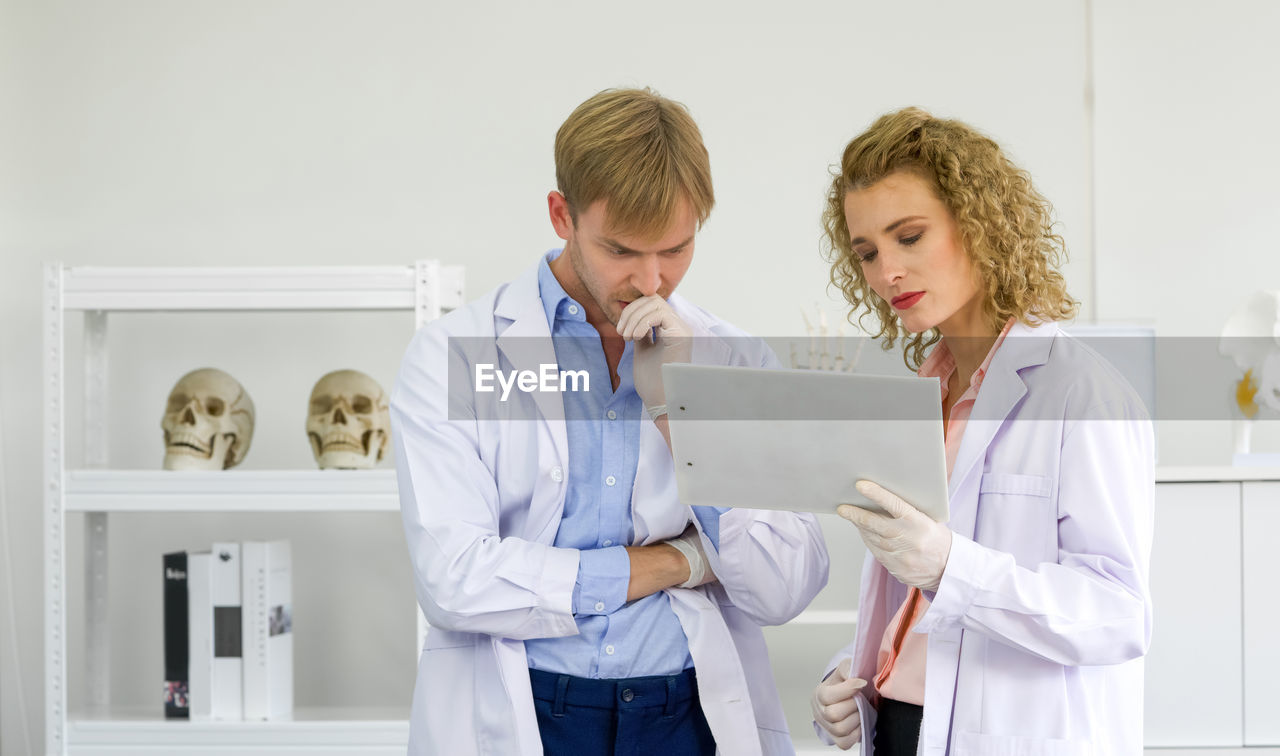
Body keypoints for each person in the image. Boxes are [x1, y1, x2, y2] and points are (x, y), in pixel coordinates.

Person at [391, 87, 830, 756]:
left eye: (676, 250)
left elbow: (783, 585)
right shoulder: (456, 355)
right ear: (561, 214)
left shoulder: (733, 357)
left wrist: (683, 414)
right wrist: (678, 561)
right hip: (529, 709)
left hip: (685, 712)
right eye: (622, 251)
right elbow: (455, 579)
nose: (651, 282)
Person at [809, 108, 1154, 755]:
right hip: (902, 728)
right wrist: (855, 674)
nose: (886, 272)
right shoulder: (923, 397)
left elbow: (1117, 616)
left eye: (908, 236)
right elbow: (922, 608)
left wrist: (949, 566)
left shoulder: (1081, 393)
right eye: (867, 252)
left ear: (981, 224)